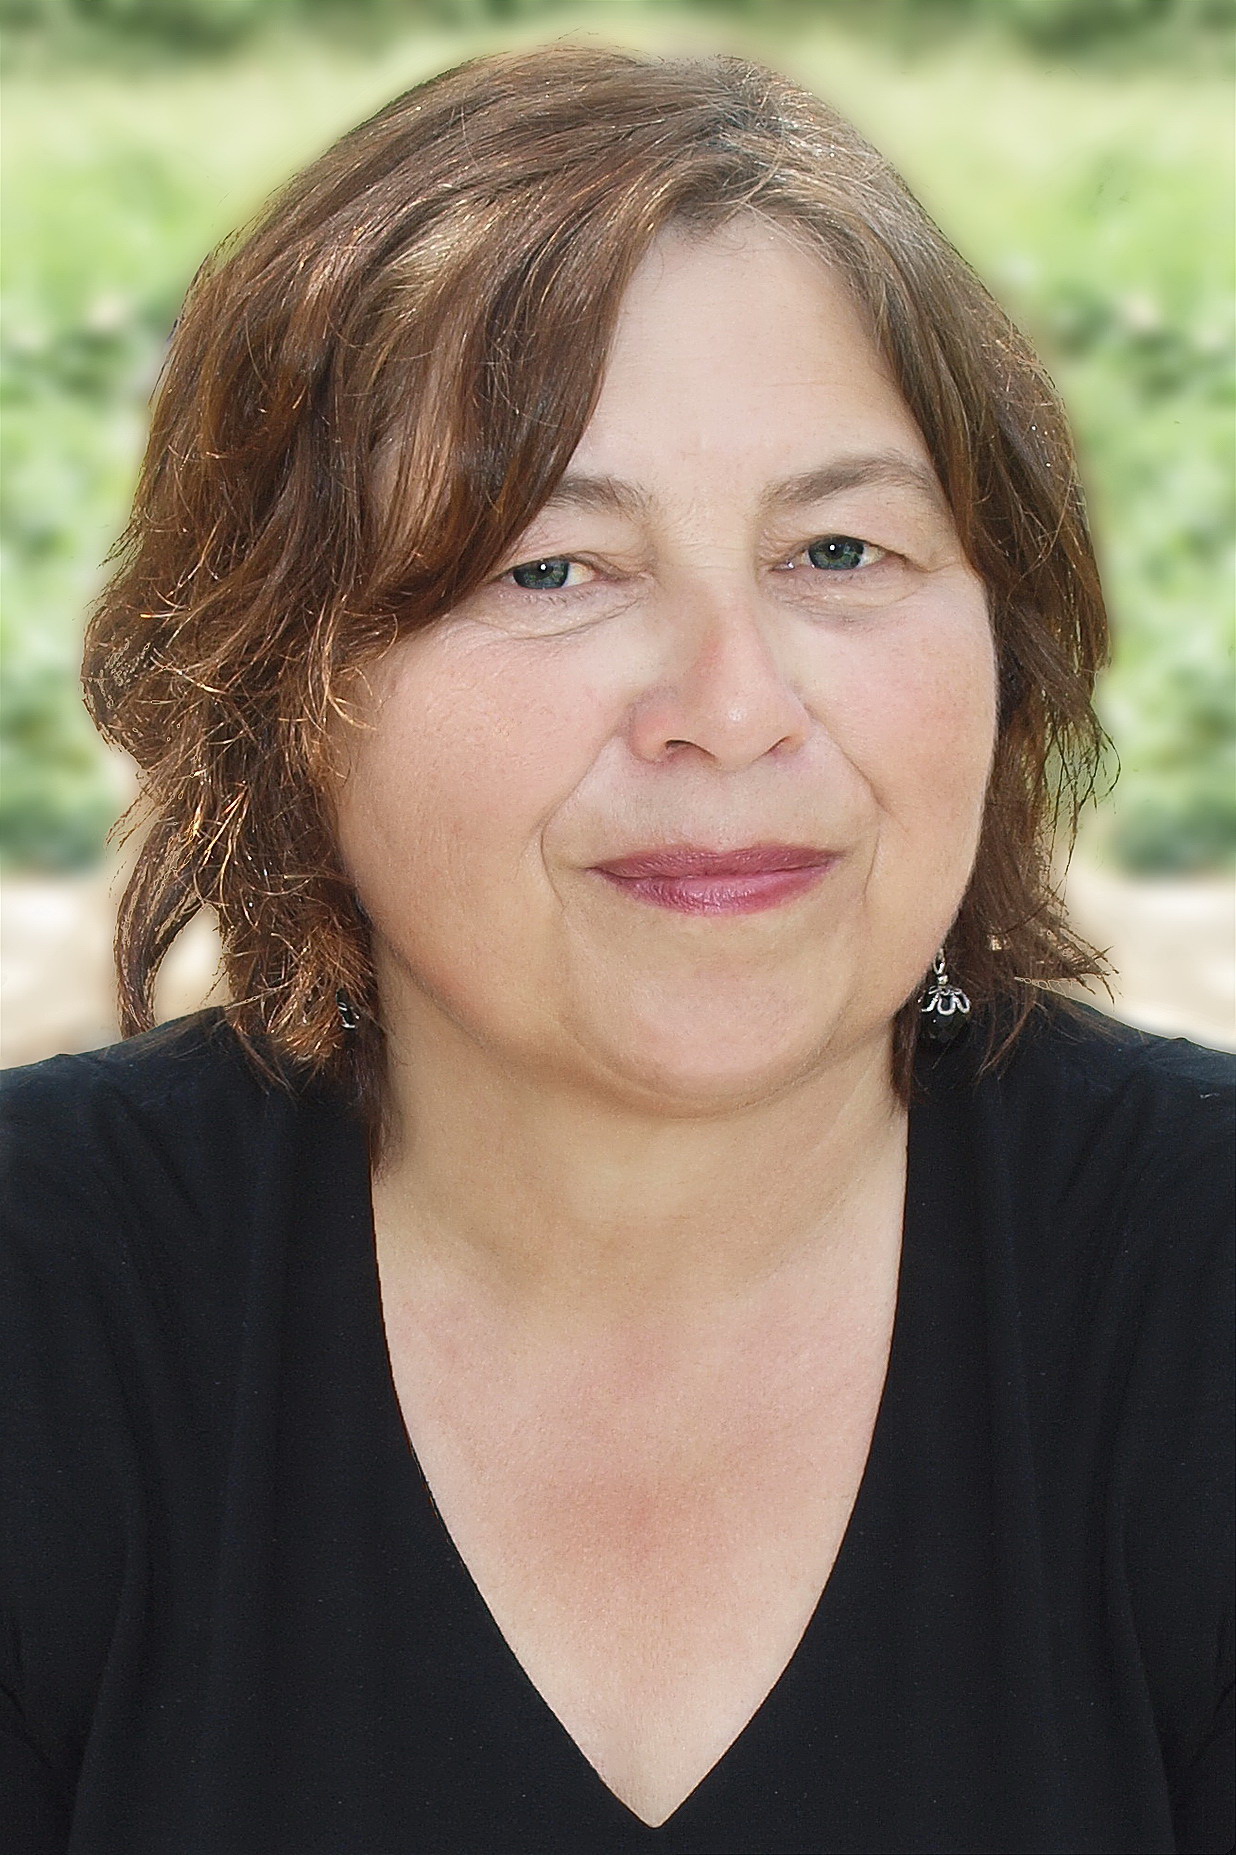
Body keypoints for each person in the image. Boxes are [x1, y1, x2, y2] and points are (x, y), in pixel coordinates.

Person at [1, 43, 1231, 1855]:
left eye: (839, 551)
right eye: (551, 570)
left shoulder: (1196, 1277)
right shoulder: (47, 1308)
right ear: (283, 687)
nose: (730, 709)